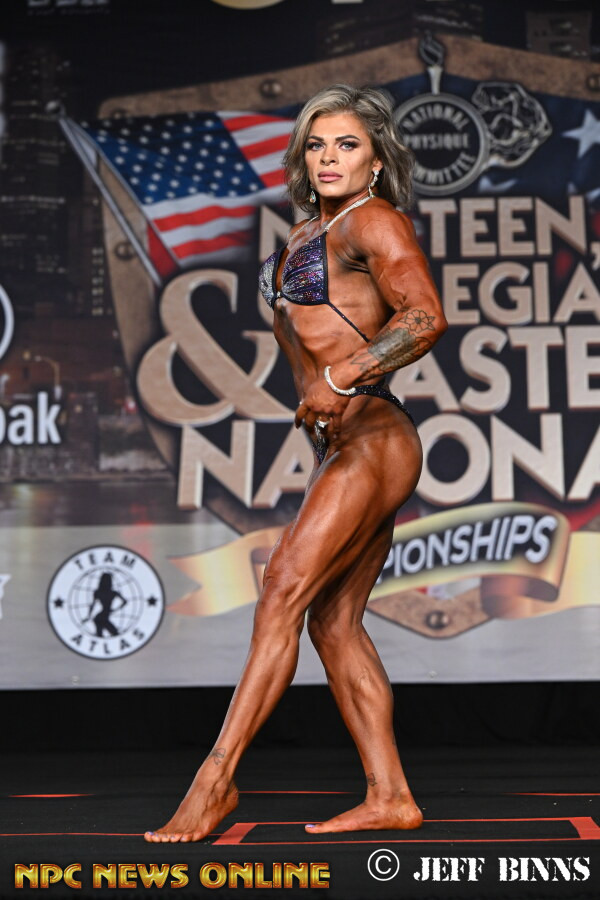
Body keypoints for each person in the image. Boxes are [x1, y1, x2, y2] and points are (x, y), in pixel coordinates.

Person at [145, 83, 447, 843]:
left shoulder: (373, 220)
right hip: (346, 443)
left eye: (347, 144)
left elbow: (424, 316)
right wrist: (326, 390)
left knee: (281, 587)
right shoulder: (311, 231)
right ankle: (391, 795)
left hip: (376, 434)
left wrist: (342, 378)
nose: (329, 157)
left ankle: (215, 781)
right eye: (317, 144)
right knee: (333, 622)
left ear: (375, 160)